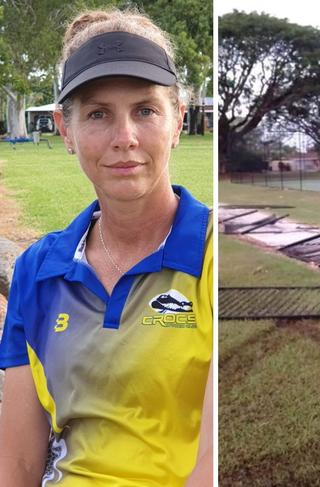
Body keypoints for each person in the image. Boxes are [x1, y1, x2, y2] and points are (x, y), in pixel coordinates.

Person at [0, 8, 212, 486]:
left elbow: (212, 465)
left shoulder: (220, 255)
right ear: (66, 129)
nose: (125, 138)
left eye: (145, 110)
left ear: (177, 120)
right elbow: (17, 464)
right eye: (98, 114)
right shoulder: (39, 269)